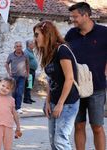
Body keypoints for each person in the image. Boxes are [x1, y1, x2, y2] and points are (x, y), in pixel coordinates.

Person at [65, 2, 107, 150]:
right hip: (76, 89)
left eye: (75, 16)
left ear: (86, 15)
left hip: (97, 88)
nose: (72, 19)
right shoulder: (71, 34)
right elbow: (65, 57)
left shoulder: (104, 32)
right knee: (78, 125)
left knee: (97, 127)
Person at [34, 20, 80, 150]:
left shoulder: (62, 50)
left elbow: (70, 78)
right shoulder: (48, 54)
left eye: (37, 34)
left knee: (60, 141)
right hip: (54, 100)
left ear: (46, 34)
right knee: (54, 143)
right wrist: (47, 102)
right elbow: (51, 80)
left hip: (68, 102)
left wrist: (60, 104)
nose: (35, 38)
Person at [5, 41, 29, 114]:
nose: (19, 48)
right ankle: (13, 107)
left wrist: (27, 73)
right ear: (14, 48)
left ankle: (18, 107)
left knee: (20, 92)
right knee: (14, 92)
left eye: (20, 46)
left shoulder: (25, 55)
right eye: (17, 46)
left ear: (22, 47)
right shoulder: (11, 55)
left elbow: (27, 64)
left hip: (22, 77)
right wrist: (9, 72)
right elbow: (6, 64)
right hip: (14, 77)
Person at [23, 40, 38, 104]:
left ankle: (28, 98)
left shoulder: (31, 51)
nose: (34, 45)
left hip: (32, 70)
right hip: (29, 70)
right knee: (28, 85)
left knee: (30, 85)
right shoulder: (26, 52)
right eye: (32, 44)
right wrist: (27, 71)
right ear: (29, 45)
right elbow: (25, 62)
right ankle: (26, 99)